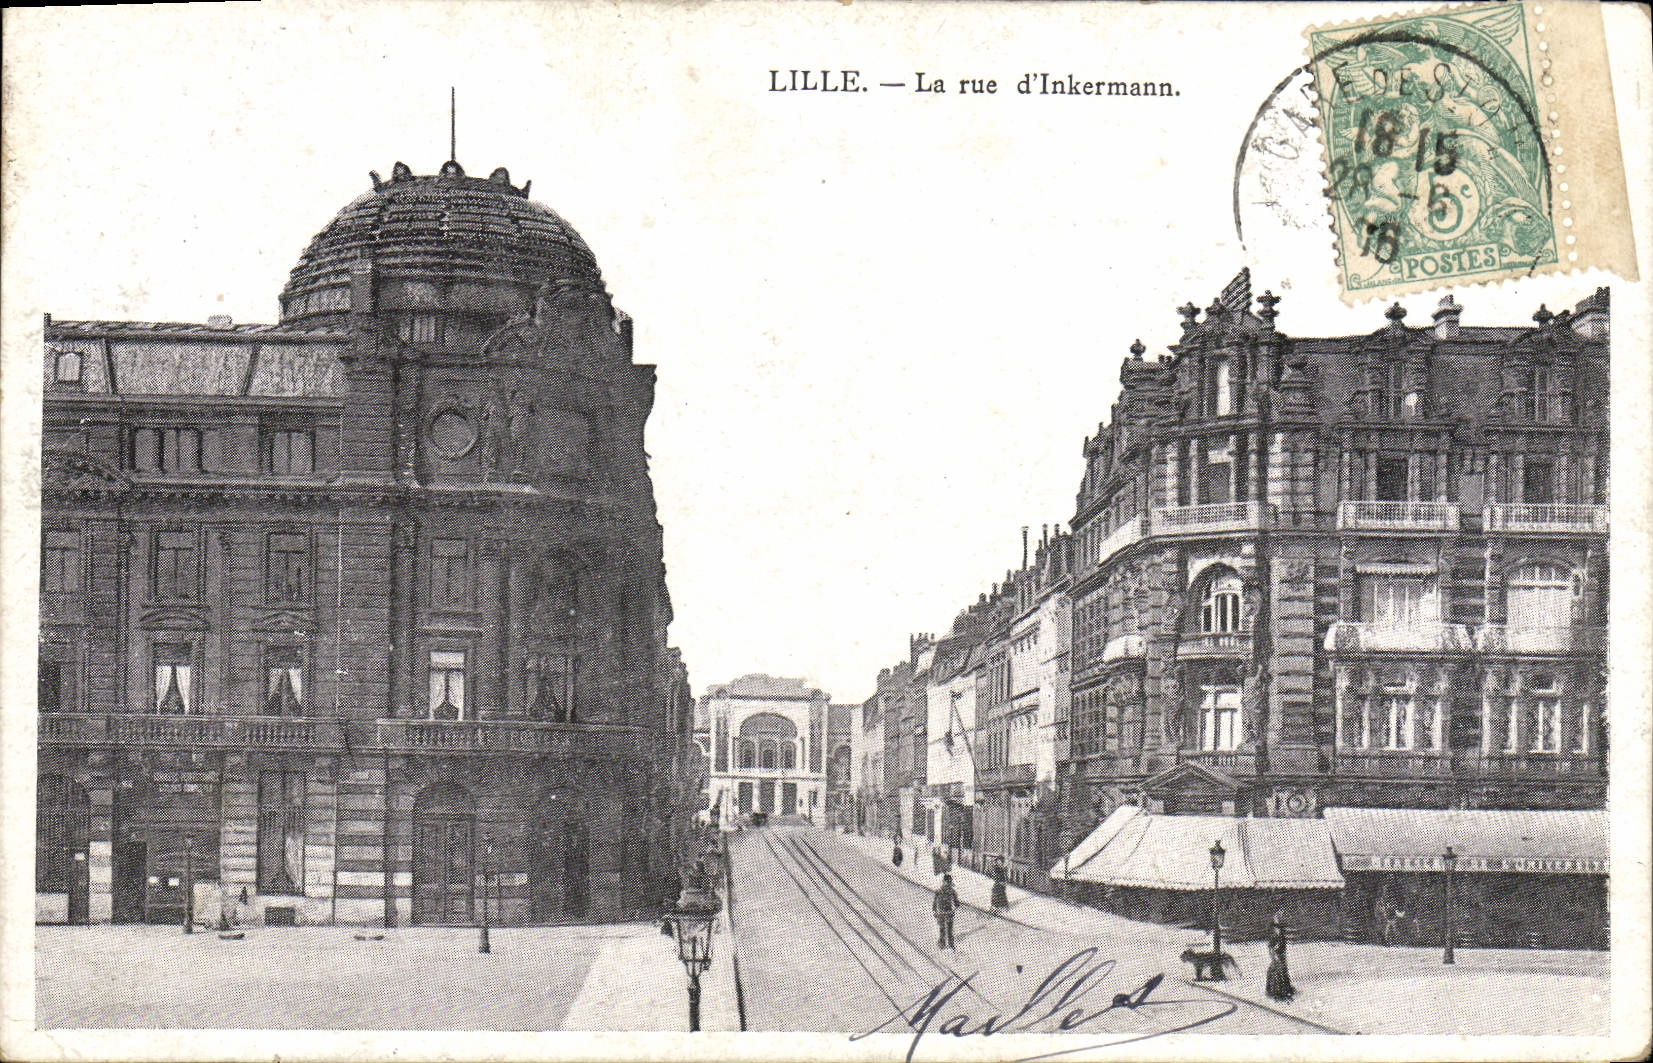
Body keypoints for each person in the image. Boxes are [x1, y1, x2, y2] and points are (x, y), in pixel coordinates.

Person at [1266, 912, 1296, 1002]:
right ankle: (1277, 992)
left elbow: (1283, 943)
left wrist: (1281, 950)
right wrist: (1274, 953)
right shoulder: (1273, 933)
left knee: (1283, 971)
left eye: (1279, 927)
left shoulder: (1281, 932)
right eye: (1276, 928)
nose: (1278, 929)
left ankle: (1285, 989)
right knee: (1277, 972)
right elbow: (1271, 946)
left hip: (1281, 953)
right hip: (1276, 954)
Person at [933, 873, 959, 949]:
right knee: (949, 929)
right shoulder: (952, 891)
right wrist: (955, 907)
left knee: (942, 928)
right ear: (950, 881)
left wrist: (935, 912)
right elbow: (957, 904)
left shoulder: (938, 891)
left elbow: (934, 904)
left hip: (940, 912)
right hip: (949, 912)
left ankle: (942, 943)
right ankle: (951, 944)